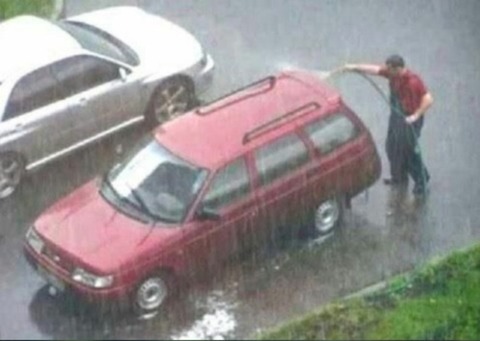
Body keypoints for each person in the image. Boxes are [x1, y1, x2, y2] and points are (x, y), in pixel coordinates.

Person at [342, 55, 434, 197]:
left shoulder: (413, 81)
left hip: (410, 118)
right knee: (391, 147)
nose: (386, 71)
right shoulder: (393, 74)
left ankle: (422, 180)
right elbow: (375, 69)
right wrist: (354, 67)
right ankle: (399, 177)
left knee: (408, 152)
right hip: (397, 116)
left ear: (397, 69)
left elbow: (428, 99)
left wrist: (415, 115)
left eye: (389, 69)